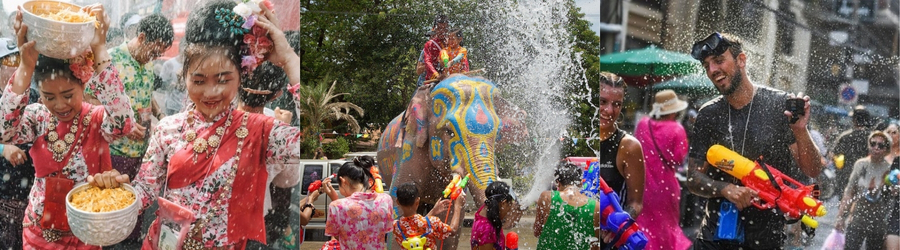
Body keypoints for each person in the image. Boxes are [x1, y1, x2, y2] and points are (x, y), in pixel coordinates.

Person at [90, 0, 303, 248]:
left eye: (223, 80)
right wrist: (117, 194)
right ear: (185, 76)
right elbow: (145, 192)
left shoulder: (261, 131)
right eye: (199, 81)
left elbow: (306, 146)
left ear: (241, 75)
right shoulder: (167, 129)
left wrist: (288, 58)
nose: (210, 93)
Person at [5, 4, 135, 248]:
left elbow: (124, 124)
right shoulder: (36, 118)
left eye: (67, 94)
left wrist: (99, 47)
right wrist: (25, 67)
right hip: (38, 233)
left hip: (85, 234)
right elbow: (4, 130)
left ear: (83, 86)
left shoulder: (96, 119)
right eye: (49, 96)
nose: (60, 105)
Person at [686, 32, 823, 249]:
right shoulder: (708, 114)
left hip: (765, 239)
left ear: (741, 60)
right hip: (714, 236)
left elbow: (812, 169)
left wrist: (800, 130)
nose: (712, 70)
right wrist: (724, 189)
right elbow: (693, 179)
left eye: (719, 61)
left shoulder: (779, 106)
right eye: (707, 65)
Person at [83, 13, 173, 244]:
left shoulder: (148, 64)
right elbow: (87, 99)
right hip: (116, 152)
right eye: (154, 51)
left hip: (142, 154)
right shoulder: (110, 61)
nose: (155, 57)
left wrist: (159, 114)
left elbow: (148, 94)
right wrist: (122, 123)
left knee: (136, 209)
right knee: (114, 208)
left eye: (159, 54)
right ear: (141, 37)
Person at [238, 62, 301, 249]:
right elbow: (287, 182)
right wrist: (283, 130)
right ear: (278, 94)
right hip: (254, 220)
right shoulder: (278, 129)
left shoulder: (214, 116)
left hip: (209, 220)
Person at [633, 89, 691, 250]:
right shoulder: (677, 130)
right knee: (666, 227)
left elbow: (637, 151)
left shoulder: (643, 124)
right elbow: (679, 160)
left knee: (645, 225)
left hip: (643, 186)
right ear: (674, 111)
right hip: (666, 188)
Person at [597, 72, 644, 219]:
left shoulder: (628, 146)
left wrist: (621, 221)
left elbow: (635, 203)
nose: (609, 110)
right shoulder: (579, 138)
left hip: (608, 238)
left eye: (617, 104)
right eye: (602, 101)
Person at [835, 131, 893, 250]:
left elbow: (892, 196)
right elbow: (849, 192)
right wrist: (840, 217)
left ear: (886, 149)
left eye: (880, 145)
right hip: (857, 219)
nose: (876, 147)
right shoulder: (860, 165)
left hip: (878, 222)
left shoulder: (890, 169)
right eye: (873, 143)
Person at [323, 156, 393, 249]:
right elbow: (386, 229)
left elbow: (337, 237)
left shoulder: (337, 206)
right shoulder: (386, 199)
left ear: (343, 181)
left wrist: (335, 200)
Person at [533, 162, 600, 250]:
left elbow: (537, 232)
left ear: (558, 183)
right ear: (580, 183)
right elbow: (595, 246)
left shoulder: (547, 198)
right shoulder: (596, 206)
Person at [392, 182, 465, 250]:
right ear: (417, 201)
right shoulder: (433, 222)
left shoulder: (396, 227)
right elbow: (453, 230)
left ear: (397, 202)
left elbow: (416, 226)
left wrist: (433, 211)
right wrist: (458, 206)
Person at [834, 105, 874, 194]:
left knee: (845, 202)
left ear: (854, 120)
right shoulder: (873, 138)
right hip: (866, 178)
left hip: (846, 177)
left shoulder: (845, 136)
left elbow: (834, 155)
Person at [471, 181, 519, 250]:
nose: (509, 211)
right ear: (503, 203)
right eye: (509, 206)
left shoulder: (485, 209)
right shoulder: (487, 230)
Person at [418, 15, 449, 85]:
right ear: (435, 29)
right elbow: (428, 62)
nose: (442, 31)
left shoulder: (451, 42)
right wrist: (437, 75)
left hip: (449, 79)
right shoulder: (429, 45)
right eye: (440, 28)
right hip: (432, 80)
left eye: (445, 28)